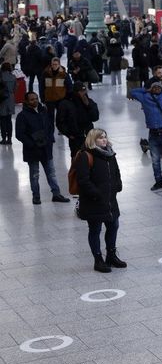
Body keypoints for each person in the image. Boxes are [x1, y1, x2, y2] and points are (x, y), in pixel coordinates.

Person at [74, 128, 126, 273]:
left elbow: (116, 171)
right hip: (94, 201)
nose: (104, 140)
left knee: (113, 226)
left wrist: (118, 185)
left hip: (110, 200)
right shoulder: (86, 155)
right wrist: (96, 194)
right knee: (95, 229)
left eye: (105, 137)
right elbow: (83, 180)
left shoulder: (110, 154)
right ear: (93, 140)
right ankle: (98, 260)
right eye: (100, 138)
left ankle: (111, 255)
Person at [13, 92, 71, 204]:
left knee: (51, 173)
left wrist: (49, 140)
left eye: (36, 98)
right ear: (26, 101)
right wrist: (32, 143)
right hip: (33, 150)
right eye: (31, 99)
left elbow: (50, 126)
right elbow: (20, 134)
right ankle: (36, 196)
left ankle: (56, 194)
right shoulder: (22, 116)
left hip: (46, 148)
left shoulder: (44, 112)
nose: (35, 101)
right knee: (34, 174)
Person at [130, 81, 162, 190]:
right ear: (151, 89)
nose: (157, 89)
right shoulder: (145, 97)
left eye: (159, 87)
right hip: (153, 134)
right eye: (155, 87)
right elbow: (133, 92)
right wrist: (146, 90)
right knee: (155, 161)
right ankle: (158, 182)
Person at [56, 82, 100, 159]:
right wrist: (69, 134)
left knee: (90, 158)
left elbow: (95, 117)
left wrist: (88, 106)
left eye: (84, 91)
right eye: (81, 91)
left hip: (88, 136)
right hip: (75, 138)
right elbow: (60, 122)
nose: (83, 93)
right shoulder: (65, 104)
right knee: (77, 159)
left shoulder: (89, 101)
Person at [42, 57, 69, 131]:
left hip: (60, 98)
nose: (54, 66)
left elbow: (69, 86)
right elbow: (42, 86)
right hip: (49, 98)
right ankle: (51, 131)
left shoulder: (64, 74)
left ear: (59, 65)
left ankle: (61, 129)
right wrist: (42, 98)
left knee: (60, 115)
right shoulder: (45, 73)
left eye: (56, 64)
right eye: (53, 64)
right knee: (50, 116)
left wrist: (67, 98)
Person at [0, 62, 14, 144]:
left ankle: (3, 138)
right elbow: (15, 89)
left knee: (2, 120)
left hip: (2, 99)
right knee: (9, 120)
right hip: (11, 99)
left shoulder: (1, 77)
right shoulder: (13, 77)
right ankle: (9, 138)